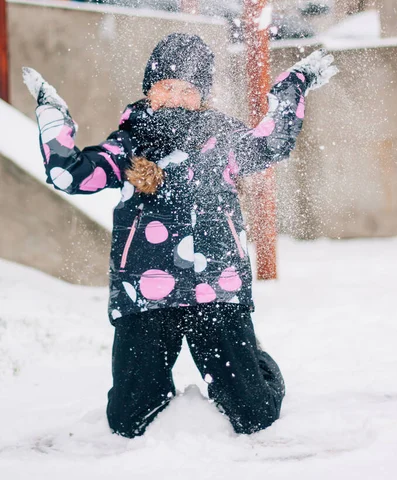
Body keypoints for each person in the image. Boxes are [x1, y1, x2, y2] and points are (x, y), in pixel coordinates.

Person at [23, 33, 338, 437]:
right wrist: (53, 113)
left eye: (187, 89)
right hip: (146, 295)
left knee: (254, 415)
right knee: (128, 421)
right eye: (166, 85)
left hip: (216, 290)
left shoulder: (224, 140)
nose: (175, 96)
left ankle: (254, 364)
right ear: (149, 91)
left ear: (201, 96)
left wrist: (294, 82)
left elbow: (272, 142)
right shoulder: (127, 145)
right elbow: (69, 174)